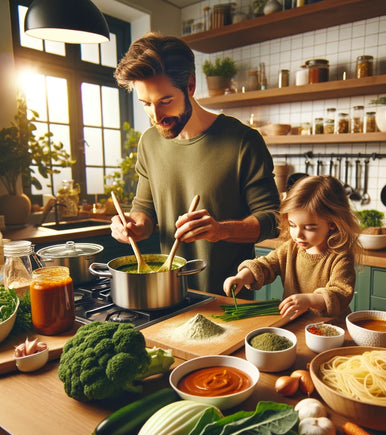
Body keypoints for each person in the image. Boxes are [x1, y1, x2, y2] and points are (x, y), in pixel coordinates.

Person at [110, 33, 280, 295]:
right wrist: (132, 226)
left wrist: (220, 230)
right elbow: (144, 210)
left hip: (228, 299)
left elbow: (272, 219)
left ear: (190, 85)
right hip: (168, 294)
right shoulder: (149, 142)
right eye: (146, 104)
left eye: (165, 101)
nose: (156, 116)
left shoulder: (243, 140)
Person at [223, 175, 361, 318]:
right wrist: (241, 277)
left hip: (330, 330)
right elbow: (265, 265)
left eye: (309, 228)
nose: (298, 235)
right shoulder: (290, 248)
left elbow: (340, 293)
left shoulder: (340, 256)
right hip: (295, 323)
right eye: (292, 225)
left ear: (332, 224)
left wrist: (309, 300)